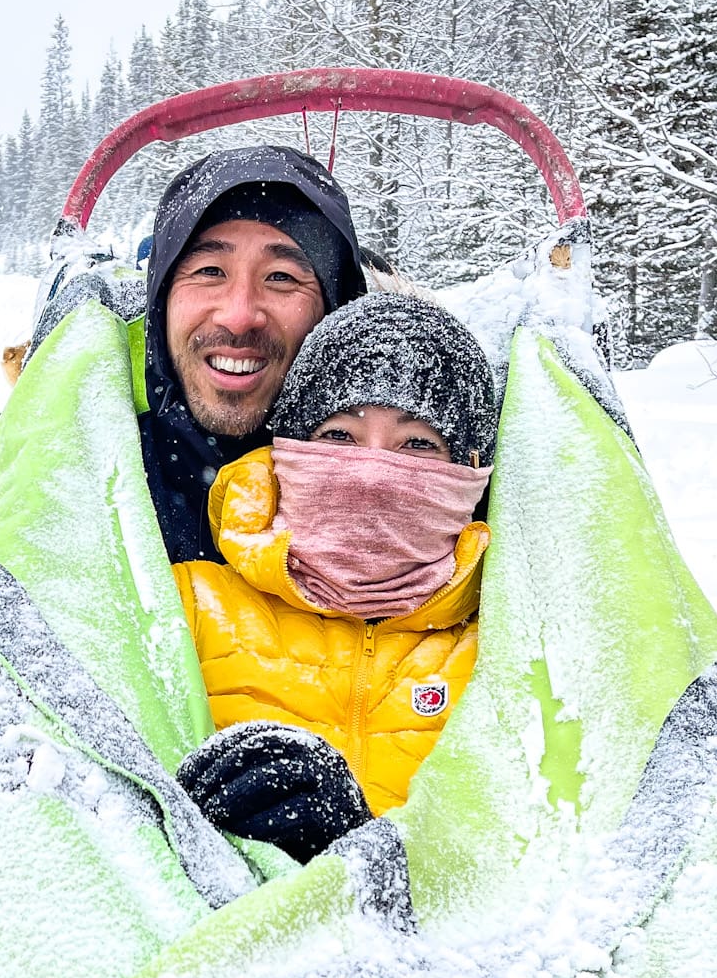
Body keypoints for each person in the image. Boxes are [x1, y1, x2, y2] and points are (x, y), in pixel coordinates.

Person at [171, 294, 498, 864]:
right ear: (288, 451)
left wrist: (361, 854)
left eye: (417, 443)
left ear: (468, 471)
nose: (371, 472)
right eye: (339, 436)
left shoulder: (508, 647)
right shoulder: (182, 607)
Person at [139, 145, 366, 563]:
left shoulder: (395, 465)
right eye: (209, 271)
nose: (239, 316)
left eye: (281, 277)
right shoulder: (96, 467)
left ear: (332, 314)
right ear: (162, 298)